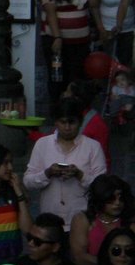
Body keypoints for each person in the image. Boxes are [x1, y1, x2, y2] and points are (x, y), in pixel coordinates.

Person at [24, 97, 106, 227]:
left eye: (71, 122)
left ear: (80, 122)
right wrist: (47, 173)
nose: (67, 127)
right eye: (63, 122)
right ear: (56, 122)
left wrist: (79, 175)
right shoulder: (43, 144)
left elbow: (103, 187)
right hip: (50, 220)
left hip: (82, 220)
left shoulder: (93, 147)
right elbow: (28, 182)